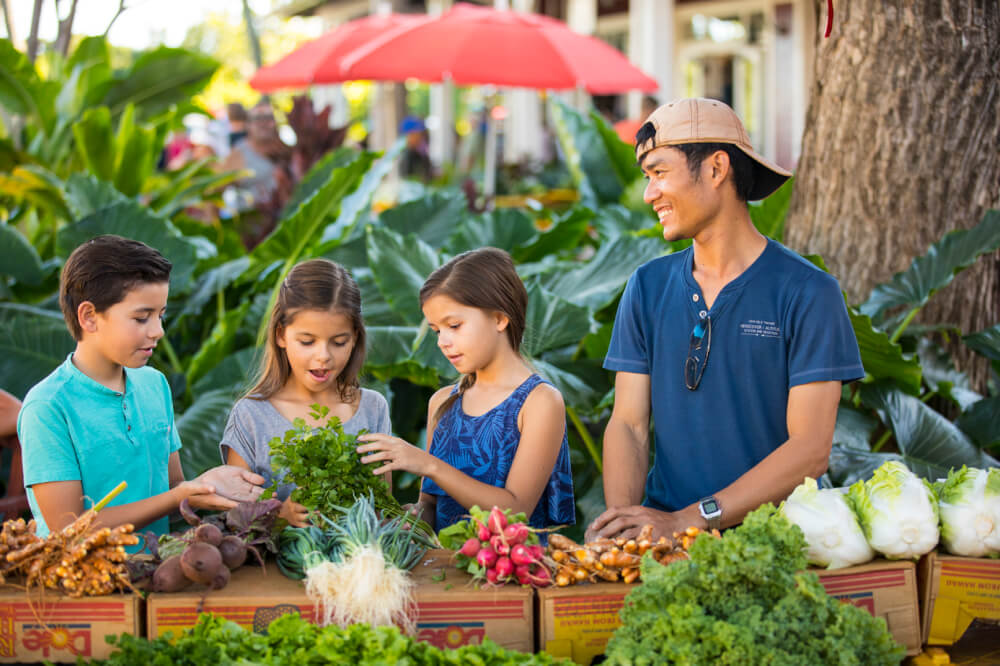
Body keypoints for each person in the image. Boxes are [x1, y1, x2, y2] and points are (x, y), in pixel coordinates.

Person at [587, 98, 863, 541]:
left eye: (660, 173)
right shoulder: (647, 286)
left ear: (716, 169)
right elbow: (629, 425)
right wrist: (627, 525)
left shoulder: (809, 292)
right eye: (646, 177)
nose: (649, 193)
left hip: (772, 544)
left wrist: (690, 519)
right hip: (664, 543)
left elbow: (810, 451)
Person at [17, 236, 265, 538]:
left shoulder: (154, 384)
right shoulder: (47, 407)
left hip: (154, 572)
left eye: (160, 316)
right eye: (141, 317)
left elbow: (172, 489)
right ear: (89, 317)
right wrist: (179, 495)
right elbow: (69, 528)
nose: (158, 331)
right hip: (79, 581)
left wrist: (209, 486)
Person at [355, 248, 575, 534]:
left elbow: (516, 512)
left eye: (454, 326)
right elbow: (430, 506)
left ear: (499, 318)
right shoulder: (442, 402)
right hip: (446, 573)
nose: (442, 342)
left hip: (512, 573)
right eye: (436, 330)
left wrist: (429, 465)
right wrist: (405, 521)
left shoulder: (540, 402)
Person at [220, 259, 391, 528]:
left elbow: (382, 508)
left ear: (355, 337)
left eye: (339, 342)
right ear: (281, 335)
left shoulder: (373, 407)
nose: (323, 356)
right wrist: (279, 516)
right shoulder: (251, 415)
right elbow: (234, 519)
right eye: (307, 342)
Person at [399, 115, 432, 182]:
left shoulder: (420, 153)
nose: (420, 137)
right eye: (417, 134)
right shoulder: (407, 156)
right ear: (409, 135)